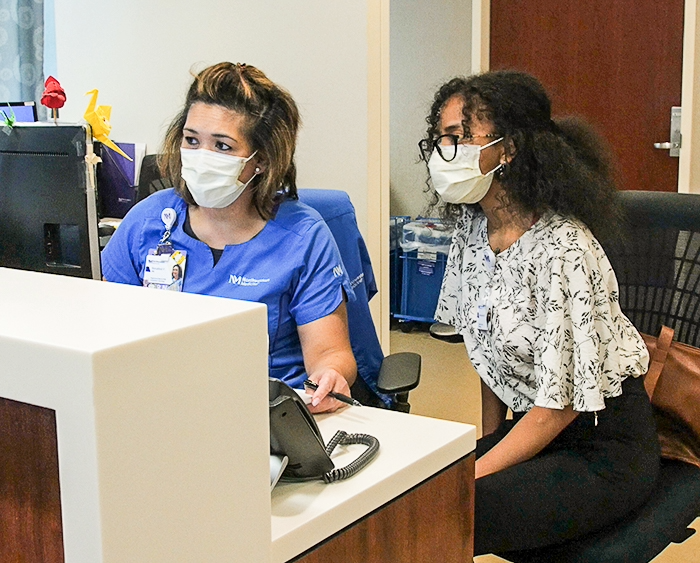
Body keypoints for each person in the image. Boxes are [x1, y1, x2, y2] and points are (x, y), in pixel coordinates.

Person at [419, 70, 660, 556]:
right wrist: (489, 440)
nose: (445, 153)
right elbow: (482, 350)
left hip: (601, 446)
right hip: (533, 430)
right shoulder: (470, 232)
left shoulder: (564, 248)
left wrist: (476, 469)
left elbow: (560, 407)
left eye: (459, 137)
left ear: (508, 149)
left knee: (448, 508)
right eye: (439, 140)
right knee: (412, 491)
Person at [102, 62, 356, 413]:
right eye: (192, 141)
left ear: (261, 160)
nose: (201, 157)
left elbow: (331, 354)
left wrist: (329, 377)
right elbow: (103, 326)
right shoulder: (147, 220)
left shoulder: (302, 238)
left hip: (265, 414)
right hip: (159, 404)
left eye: (222, 146)